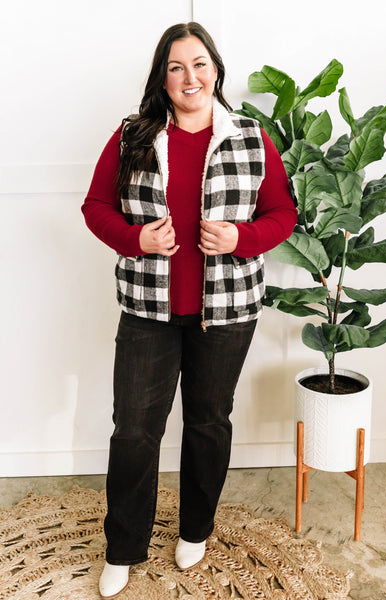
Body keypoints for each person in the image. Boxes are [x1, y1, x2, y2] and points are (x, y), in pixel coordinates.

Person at [82, 21, 297, 599]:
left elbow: (282, 213)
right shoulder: (131, 136)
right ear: (163, 78)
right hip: (147, 310)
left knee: (208, 424)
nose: (190, 77)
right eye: (176, 67)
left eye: (199, 64)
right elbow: (96, 205)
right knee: (134, 431)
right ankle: (124, 548)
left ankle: (195, 530)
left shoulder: (250, 137)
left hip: (225, 313)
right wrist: (137, 239)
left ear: (216, 70)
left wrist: (241, 238)